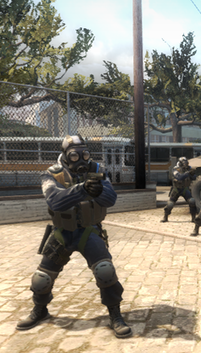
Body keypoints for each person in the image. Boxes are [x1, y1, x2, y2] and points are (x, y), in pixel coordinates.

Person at [18, 135, 131, 338]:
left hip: (89, 231)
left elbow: (110, 199)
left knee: (105, 271)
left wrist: (98, 191)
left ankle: (115, 314)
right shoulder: (52, 174)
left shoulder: (97, 170)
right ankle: (40, 310)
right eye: (74, 156)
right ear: (65, 155)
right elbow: (55, 201)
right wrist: (81, 190)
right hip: (62, 233)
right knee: (42, 279)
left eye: (84, 154)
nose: (80, 159)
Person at [161, 157, 198, 223]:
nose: (185, 165)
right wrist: (188, 173)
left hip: (185, 189)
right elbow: (179, 177)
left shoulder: (189, 168)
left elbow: (194, 178)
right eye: (184, 163)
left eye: (186, 163)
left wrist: (192, 174)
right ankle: (165, 217)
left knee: (192, 202)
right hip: (176, 189)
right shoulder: (176, 169)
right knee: (170, 204)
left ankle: (193, 218)